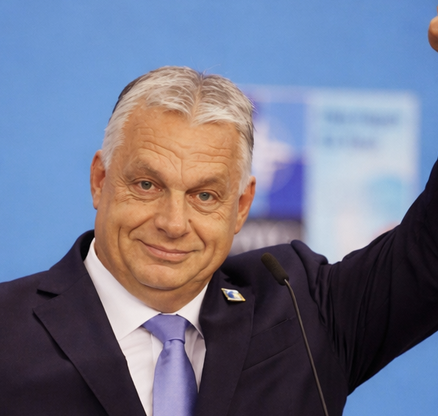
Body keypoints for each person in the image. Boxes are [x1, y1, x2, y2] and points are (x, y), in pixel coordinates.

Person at [1, 21, 438, 416]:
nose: (174, 223)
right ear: (100, 180)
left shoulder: (304, 315)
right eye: (147, 185)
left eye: (205, 195)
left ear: (241, 206)